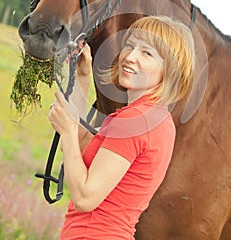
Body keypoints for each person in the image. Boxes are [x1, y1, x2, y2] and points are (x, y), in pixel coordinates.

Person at [48, 15, 195, 240]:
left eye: (147, 53)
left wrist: (67, 132)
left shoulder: (135, 121)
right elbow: (83, 150)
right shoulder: (155, 119)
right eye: (130, 45)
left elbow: (85, 198)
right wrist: (83, 75)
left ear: (170, 70)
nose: (131, 57)